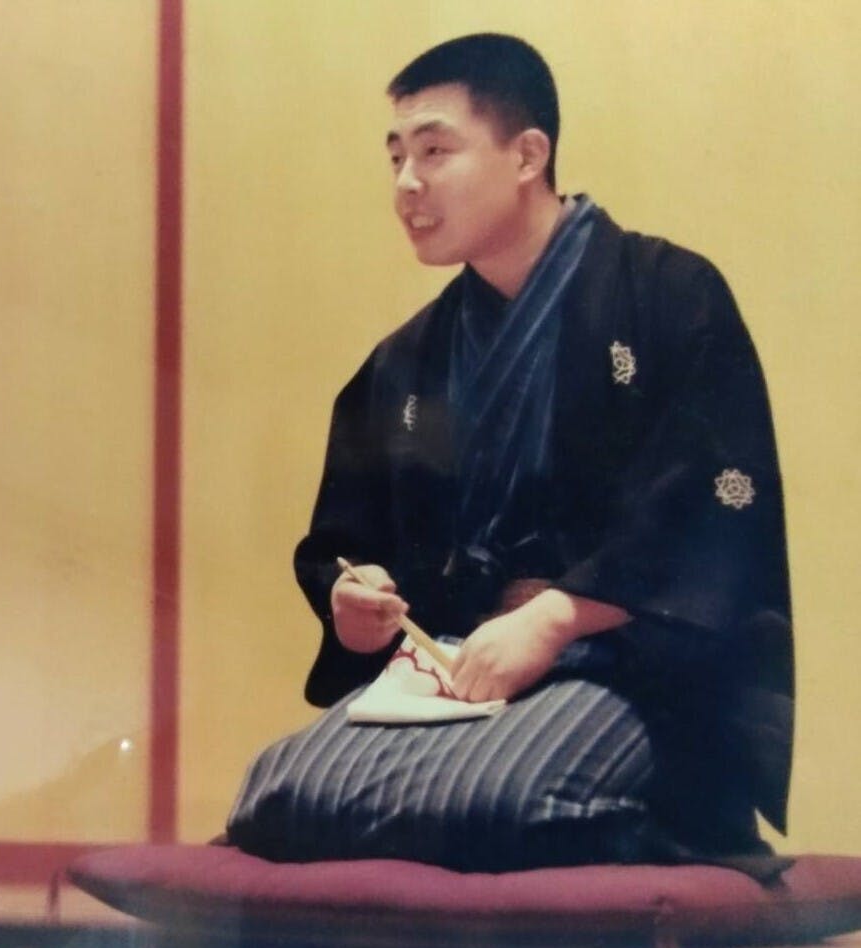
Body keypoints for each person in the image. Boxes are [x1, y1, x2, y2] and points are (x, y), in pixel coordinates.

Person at [226, 33, 793, 879]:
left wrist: (554, 617)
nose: (406, 183)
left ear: (528, 154)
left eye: (434, 151)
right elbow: (348, 538)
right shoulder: (410, 359)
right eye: (395, 157)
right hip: (464, 666)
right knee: (275, 794)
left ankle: (647, 822)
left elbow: (711, 508)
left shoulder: (667, 296)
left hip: (629, 675)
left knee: (498, 797)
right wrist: (355, 596)